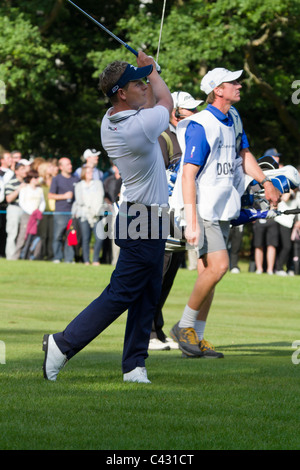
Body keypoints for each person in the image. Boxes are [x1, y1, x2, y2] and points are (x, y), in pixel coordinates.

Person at [42, 51, 173, 384]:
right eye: (138, 82)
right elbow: (167, 101)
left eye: (145, 80)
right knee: (122, 292)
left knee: (148, 291)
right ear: (121, 93)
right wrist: (155, 70)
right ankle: (63, 344)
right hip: (143, 217)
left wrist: (146, 72)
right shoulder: (137, 126)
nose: (145, 85)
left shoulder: (115, 118)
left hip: (146, 215)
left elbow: (153, 103)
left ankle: (134, 364)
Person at [170, 67, 281, 358]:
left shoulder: (233, 117)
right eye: (233, 82)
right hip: (202, 206)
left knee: (211, 273)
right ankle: (184, 326)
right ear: (218, 90)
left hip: (223, 206)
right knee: (219, 267)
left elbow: (244, 155)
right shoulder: (200, 124)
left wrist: (265, 182)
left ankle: (197, 337)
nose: (239, 84)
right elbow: (188, 175)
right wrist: (191, 218)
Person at [149, 90, 203, 351]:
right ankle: (146, 333)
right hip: (162, 218)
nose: (195, 113)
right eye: (190, 109)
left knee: (169, 275)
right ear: (176, 113)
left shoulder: (187, 134)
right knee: (156, 275)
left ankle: (157, 329)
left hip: (180, 217)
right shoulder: (163, 137)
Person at [72, 166, 105, 265]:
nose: (91, 174)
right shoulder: (79, 185)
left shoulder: (98, 184)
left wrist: (92, 206)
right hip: (84, 214)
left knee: (100, 237)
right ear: (83, 174)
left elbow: (100, 197)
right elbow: (79, 200)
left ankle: (95, 259)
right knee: (85, 238)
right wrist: (90, 202)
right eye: (88, 172)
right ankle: (86, 260)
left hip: (96, 213)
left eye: (91, 172)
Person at [48, 157, 79, 263]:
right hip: (60, 212)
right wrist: (64, 196)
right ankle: (57, 257)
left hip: (72, 212)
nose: (70, 166)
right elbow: (50, 195)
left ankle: (69, 258)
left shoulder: (76, 179)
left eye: (70, 164)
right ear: (61, 167)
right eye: (67, 164)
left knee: (70, 236)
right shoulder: (56, 179)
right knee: (58, 235)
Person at [12, 168, 46, 260]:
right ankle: (16, 256)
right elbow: (22, 203)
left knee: (35, 238)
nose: (36, 179)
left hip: (37, 217)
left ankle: (31, 256)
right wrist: (32, 212)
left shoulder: (40, 190)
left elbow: (42, 203)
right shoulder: (25, 188)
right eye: (34, 177)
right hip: (27, 215)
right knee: (23, 236)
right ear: (30, 178)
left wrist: (39, 211)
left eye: (37, 177)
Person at [4, 160, 31, 259]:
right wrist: (19, 189)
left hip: (25, 210)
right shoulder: (12, 182)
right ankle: (11, 256)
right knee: (13, 233)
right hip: (14, 209)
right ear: (16, 171)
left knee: (22, 234)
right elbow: (8, 198)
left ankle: (19, 255)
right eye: (22, 169)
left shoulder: (27, 183)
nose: (25, 171)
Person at [37, 161, 56, 260]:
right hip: (43, 211)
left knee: (51, 234)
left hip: (53, 210)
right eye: (49, 167)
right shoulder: (40, 181)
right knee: (43, 234)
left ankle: (50, 255)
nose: (52, 169)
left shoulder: (55, 180)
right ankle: (41, 254)